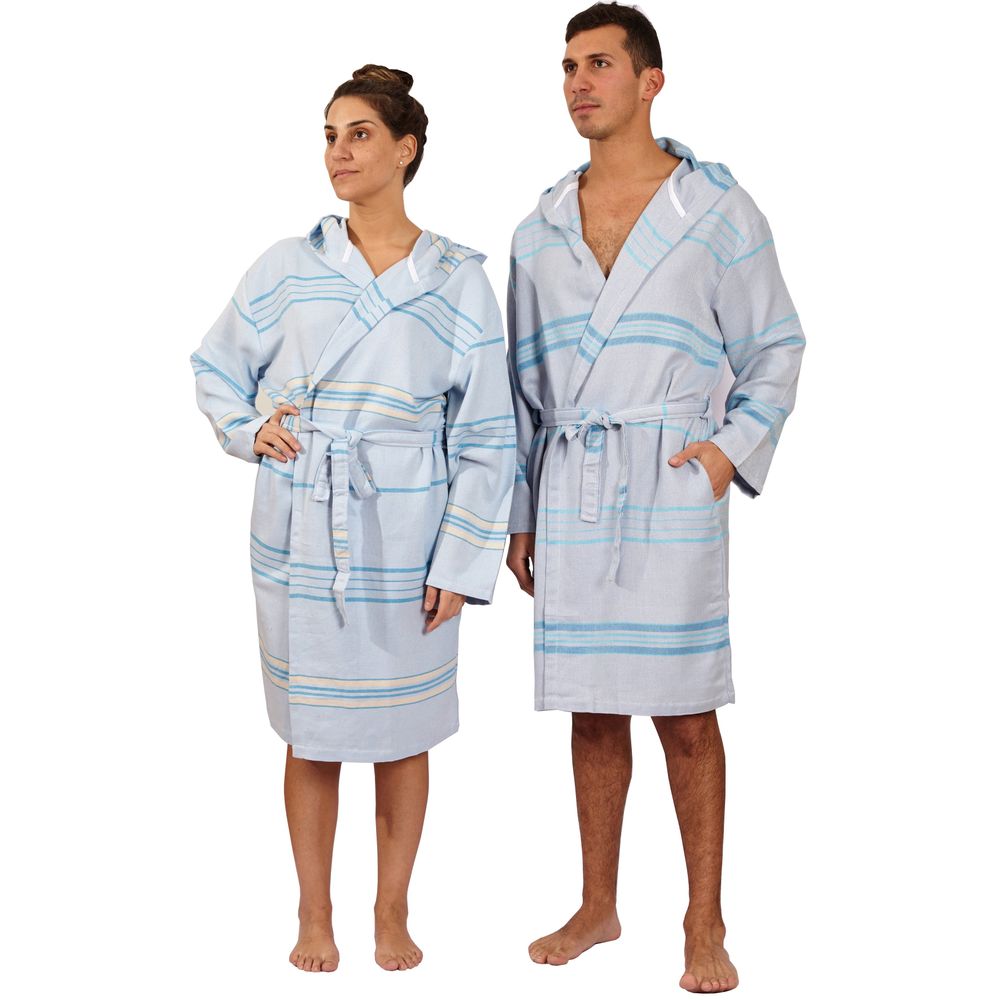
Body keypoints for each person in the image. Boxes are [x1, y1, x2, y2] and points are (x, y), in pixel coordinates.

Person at [505, 4, 805, 992]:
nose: (578, 83)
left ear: (650, 81)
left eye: (598, 64)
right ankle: (598, 903)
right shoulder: (539, 228)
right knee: (592, 709)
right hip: (571, 485)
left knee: (683, 709)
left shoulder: (715, 210)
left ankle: (703, 918)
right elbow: (520, 386)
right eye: (566, 67)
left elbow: (776, 345)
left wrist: (725, 454)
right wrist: (520, 512)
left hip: (671, 479)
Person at [191, 65, 515, 974]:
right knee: (313, 732)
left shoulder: (456, 279)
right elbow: (215, 365)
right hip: (303, 522)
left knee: (403, 733)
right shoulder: (286, 266)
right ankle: (313, 911)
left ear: (406, 149)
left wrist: (461, 559)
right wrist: (251, 429)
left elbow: (488, 432)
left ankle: (392, 908)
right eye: (330, 135)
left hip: (407, 533)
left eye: (360, 133)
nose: (338, 151)